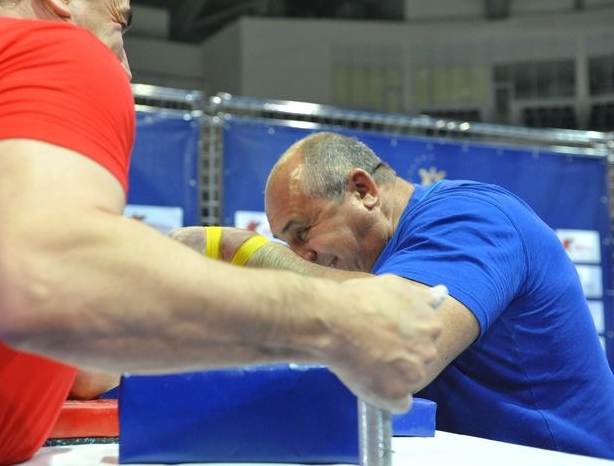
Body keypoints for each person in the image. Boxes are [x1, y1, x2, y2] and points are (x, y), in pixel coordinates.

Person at [0, 0, 446, 464]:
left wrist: (158, 287)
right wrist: (339, 322)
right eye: (120, 21)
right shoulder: (49, 49)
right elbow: (57, 286)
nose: (124, 58)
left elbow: (68, 352)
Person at [173, 131, 614, 459]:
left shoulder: (473, 219)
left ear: (363, 191)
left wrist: (244, 250)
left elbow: (402, 343)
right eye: (288, 245)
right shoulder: (377, 272)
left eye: (303, 233)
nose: (302, 256)